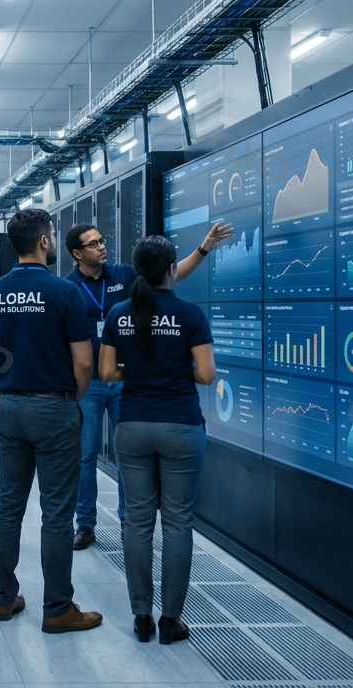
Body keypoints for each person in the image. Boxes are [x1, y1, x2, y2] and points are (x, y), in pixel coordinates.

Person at [65, 221, 230, 550]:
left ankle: (130, 518)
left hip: (127, 382)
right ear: (77, 253)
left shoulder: (125, 275)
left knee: (131, 458)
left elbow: (171, 274)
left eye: (102, 240)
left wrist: (204, 248)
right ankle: (85, 524)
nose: (101, 246)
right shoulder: (68, 287)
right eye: (93, 243)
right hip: (91, 384)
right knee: (85, 457)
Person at [0, 209, 103, 633]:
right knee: (56, 513)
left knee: (8, 506)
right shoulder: (65, 292)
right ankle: (57, 608)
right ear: (46, 241)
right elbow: (85, 362)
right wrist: (70, 399)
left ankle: (2, 598)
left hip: (9, 407)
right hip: (55, 407)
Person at [99, 236, 217, 646]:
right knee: (178, 523)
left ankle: (141, 617)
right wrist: (173, 370)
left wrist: (141, 370)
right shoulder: (190, 315)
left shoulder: (119, 313)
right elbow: (205, 375)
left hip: (132, 426)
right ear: (171, 270)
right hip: (181, 426)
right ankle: (171, 621)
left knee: (137, 521)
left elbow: (109, 374)